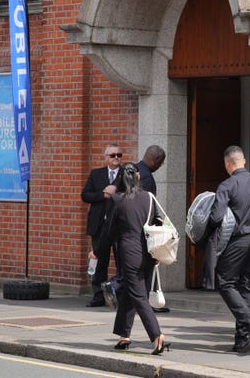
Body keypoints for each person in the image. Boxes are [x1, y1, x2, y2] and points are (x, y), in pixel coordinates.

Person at [88, 162, 168, 355]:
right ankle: (124, 335)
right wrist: (158, 253)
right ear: (138, 177)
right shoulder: (149, 197)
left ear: (121, 179)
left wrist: (97, 251)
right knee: (128, 293)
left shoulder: (117, 199)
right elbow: (159, 222)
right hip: (149, 252)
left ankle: (157, 336)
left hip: (129, 252)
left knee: (138, 296)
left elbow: (108, 231)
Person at [206, 145, 250, 353]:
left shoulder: (227, 185)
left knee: (224, 282)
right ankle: (243, 337)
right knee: (248, 286)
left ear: (227, 163)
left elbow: (215, 217)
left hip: (237, 240)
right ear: (244, 162)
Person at [81, 144, 123, 307]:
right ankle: (98, 296)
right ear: (106, 157)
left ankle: (120, 295)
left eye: (119, 155)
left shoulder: (126, 174)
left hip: (119, 227)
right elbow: (85, 195)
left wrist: (116, 193)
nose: (116, 158)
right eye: (113, 155)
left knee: (121, 261)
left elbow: (132, 194)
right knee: (99, 262)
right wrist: (103, 195)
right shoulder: (96, 174)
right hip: (99, 226)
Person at [136, 145, 170, 313]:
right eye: (161, 163)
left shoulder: (133, 170)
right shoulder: (147, 178)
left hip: (128, 229)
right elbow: (149, 208)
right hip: (143, 231)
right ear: (155, 160)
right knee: (147, 267)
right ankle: (148, 303)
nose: (160, 166)